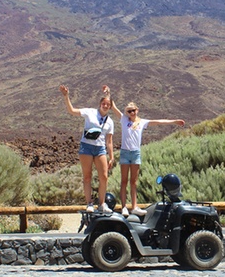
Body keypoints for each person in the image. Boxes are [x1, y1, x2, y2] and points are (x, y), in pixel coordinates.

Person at [110, 98, 184, 216]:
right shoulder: (124, 120)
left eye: (133, 110)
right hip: (125, 152)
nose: (131, 113)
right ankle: (124, 207)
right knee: (124, 181)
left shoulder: (142, 122)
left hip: (135, 153)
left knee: (133, 182)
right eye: (129, 111)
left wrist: (174, 121)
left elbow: (158, 122)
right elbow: (113, 107)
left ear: (137, 110)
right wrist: (108, 94)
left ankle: (134, 206)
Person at [60, 84, 114, 213]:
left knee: (104, 177)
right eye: (104, 103)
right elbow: (72, 111)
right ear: (100, 104)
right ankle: (89, 203)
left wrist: (111, 157)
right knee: (87, 177)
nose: (105, 106)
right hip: (86, 147)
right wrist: (66, 96)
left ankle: (101, 204)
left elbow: (109, 141)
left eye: (108, 104)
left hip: (100, 149)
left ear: (110, 107)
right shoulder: (90, 112)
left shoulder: (110, 122)